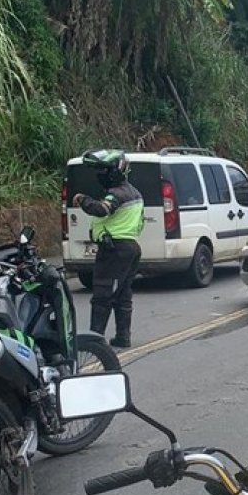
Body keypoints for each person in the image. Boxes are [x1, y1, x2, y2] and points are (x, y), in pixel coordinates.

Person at [73, 149, 143, 349]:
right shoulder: (135, 193)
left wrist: (82, 199)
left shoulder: (117, 194)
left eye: (104, 171)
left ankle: (95, 340)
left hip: (115, 249)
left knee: (103, 294)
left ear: (116, 171)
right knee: (123, 294)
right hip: (131, 247)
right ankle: (123, 337)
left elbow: (102, 209)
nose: (100, 176)